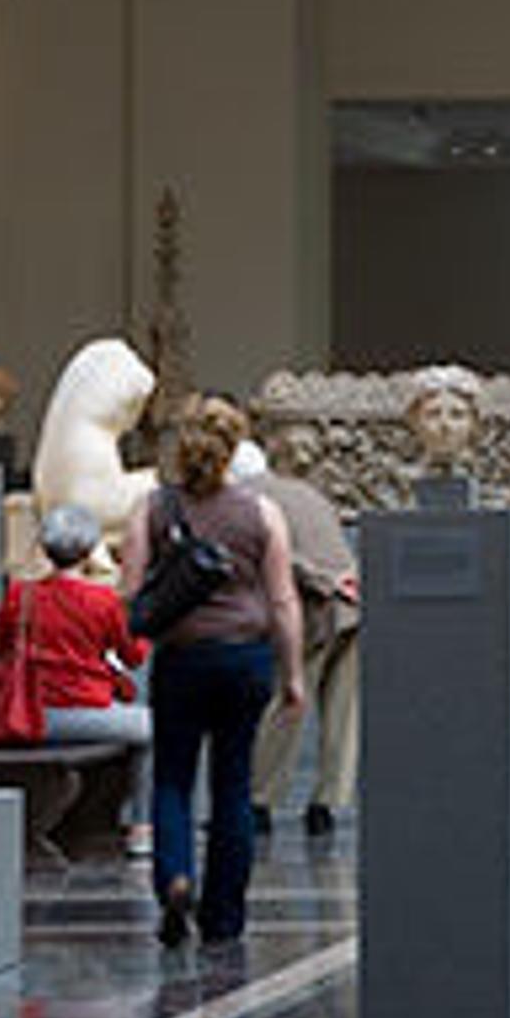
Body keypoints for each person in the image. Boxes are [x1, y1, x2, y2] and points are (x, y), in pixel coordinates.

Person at [118, 396, 303, 948]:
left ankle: (175, 876)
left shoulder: (152, 508)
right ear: (234, 449)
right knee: (233, 784)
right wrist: (292, 674)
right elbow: (284, 601)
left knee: (172, 778)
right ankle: (223, 917)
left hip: (182, 658)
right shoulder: (262, 513)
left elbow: (128, 594)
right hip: (245, 658)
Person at [242, 428, 360, 836]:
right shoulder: (313, 494)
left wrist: (324, 581)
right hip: (353, 606)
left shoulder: (252, 495)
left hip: (317, 609)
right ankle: (327, 802)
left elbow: (282, 556)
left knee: (288, 704)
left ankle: (260, 799)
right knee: (343, 713)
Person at [0, 506, 150, 748]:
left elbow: (2, 648)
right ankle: (133, 788)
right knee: (155, 727)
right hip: (86, 709)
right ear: (89, 551)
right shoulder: (104, 600)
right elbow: (134, 657)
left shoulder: (19, 595)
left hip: (26, 713)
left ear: (45, 548)